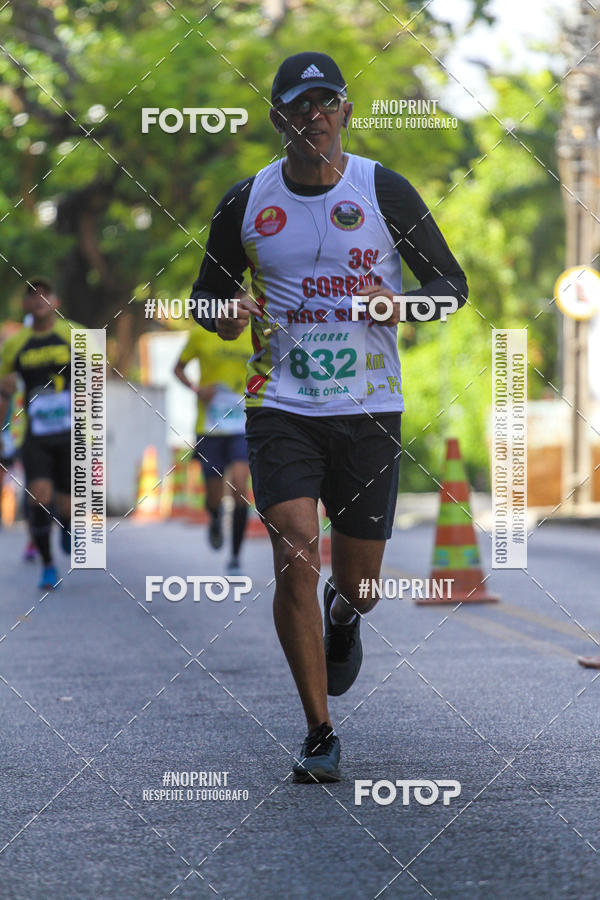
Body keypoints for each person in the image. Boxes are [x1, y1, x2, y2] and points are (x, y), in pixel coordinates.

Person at [189, 52, 468, 782]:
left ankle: (345, 621)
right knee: (295, 552)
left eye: (326, 102)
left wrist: (401, 304)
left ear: (345, 111)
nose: (313, 115)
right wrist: (228, 311)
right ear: (279, 117)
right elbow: (203, 301)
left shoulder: (384, 191)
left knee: (361, 588)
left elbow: (451, 287)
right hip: (280, 403)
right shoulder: (246, 201)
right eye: (298, 105)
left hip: (370, 406)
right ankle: (319, 730)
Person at [0, 278, 80, 589]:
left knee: (67, 504)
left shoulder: (75, 334)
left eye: (46, 294)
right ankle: (48, 565)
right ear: (26, 306)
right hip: (35, 434)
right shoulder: (15, 344)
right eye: (32, 296)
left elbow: (99, 374)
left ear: (56, 302)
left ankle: (67, 525)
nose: (39, 300)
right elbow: (4, 390)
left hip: (71, 432)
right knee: (38, 496)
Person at [174, 323, 253, 573]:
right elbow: (177, 368)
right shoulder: (202, 333)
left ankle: (236, 556)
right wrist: (197, 389)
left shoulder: (255, 332)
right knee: (213, 494)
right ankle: (215, 518)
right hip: (210, 426)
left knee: (240, 486)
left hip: (242, 424)